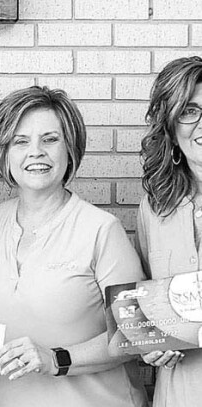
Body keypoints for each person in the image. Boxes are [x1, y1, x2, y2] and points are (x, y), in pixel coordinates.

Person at [0, 86, 149, 407]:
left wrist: (56, 358)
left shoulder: (101, 230)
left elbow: (136, 333)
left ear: (70, 150)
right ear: (3, 153)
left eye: (50, 139)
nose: (35, 151)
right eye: (20, 141)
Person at [136, 56, 202, 407]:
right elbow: (147, 310)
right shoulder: (155, 207)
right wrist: (149, 346)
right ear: (171, 127)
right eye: (190, 111)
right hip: (176, 397)